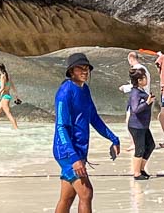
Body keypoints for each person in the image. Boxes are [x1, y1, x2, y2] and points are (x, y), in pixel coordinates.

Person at [52, 52, 119, 213]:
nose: (85, 71)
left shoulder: (85, 89)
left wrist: (114, 138)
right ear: (71, 71)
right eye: (80, 68)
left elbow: (93, 117)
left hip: (79, 149)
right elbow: (61, 127)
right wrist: (74, 158)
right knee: (86, 193)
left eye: (87, 68)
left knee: (67, 197)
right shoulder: (64, 93)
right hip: (67, 151)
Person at [126, 68, 156, 180]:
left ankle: (141, 169)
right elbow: (135, 109)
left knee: (150, 145)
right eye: (144, 78)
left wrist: (148, 100)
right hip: (136, 126)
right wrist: (147, 102)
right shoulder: (135, 93)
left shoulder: (140, 91)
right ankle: (137, 173)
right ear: (139, 80)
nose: (146, 79)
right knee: (140, 149)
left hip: (142, 125)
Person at [0, 62, 19, 129]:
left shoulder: (2, 76)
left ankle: (17, 129)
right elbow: (12, 85)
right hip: (5, 97)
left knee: (8, 114)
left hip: (5, 97)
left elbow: (2, 88)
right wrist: (16, 95)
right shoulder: (7, 75)